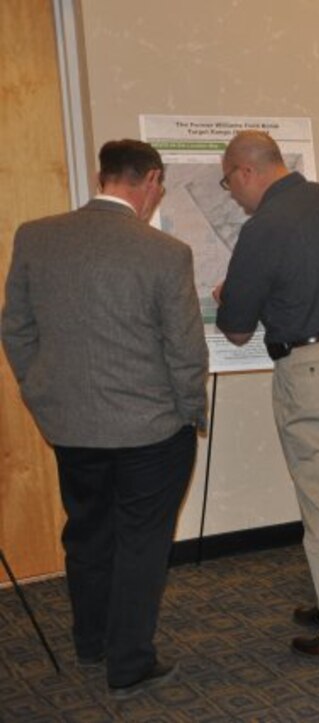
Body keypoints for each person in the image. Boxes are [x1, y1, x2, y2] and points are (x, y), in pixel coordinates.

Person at [2, 140, 208, 699]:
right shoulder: (165, 252)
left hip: (71, 428)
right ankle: (130, 663)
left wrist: (44, 393)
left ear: (102, 176)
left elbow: (15, 329)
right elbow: (186, 352)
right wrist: (191, 411)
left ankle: (91, 641)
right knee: (142, 542)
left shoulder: (36, 237)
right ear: (152, 181)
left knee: (88, 533)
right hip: (151, 431)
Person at [214, 130, 319, 660]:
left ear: (247, 171)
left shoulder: (263, 228)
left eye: (228, 184)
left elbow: (237, 328)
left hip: (315, 370)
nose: (232, 196)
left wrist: (230, 296)